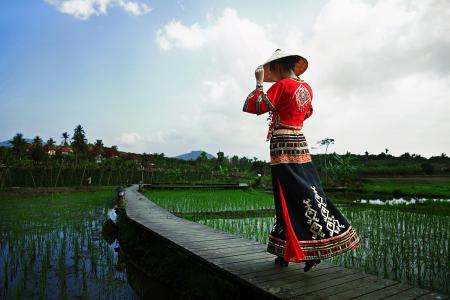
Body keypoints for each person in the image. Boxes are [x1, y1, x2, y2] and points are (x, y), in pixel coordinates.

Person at [243, 49, 361, 272]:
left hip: (282, 143)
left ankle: (302, 249)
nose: (272, 76)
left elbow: (254, 106)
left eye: (271, 71)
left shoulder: (282, 85)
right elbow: (307, 112)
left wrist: (259, 83)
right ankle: (291, 251)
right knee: (305, 190)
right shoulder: (306, 88)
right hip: (300, 142)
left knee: (287, 196)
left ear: (277, 68)